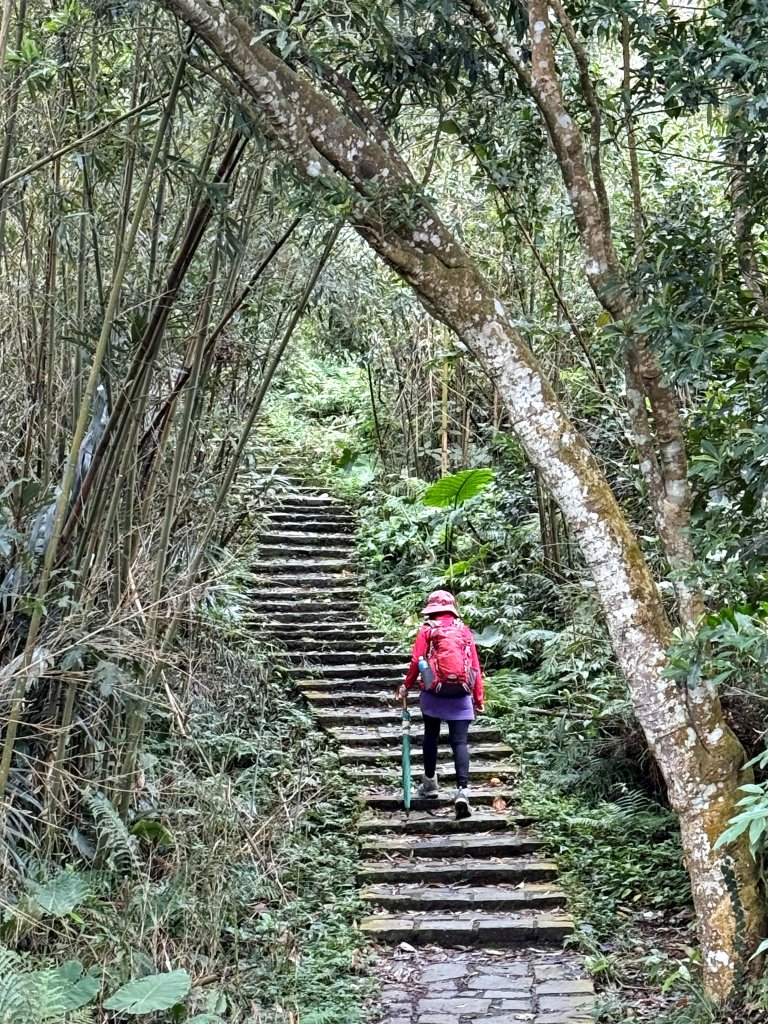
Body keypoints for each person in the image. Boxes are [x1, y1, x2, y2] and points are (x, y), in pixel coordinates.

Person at [396, 589, 484, 819]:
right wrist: (478, 697)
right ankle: (462, 790)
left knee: (431, 735)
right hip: (461, 693)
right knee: (460, 742)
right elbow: (474, 666)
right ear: (452, 609)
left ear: (432, 610)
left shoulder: (427, 630)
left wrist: (407, 684)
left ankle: (430, 784)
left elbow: (417, 661)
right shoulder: (463, 630)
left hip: (433, 692)